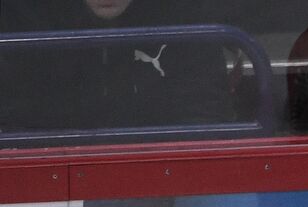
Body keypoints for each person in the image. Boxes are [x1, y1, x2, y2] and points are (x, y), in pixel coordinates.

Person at [0, 0, 235, 137]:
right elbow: (11, 124)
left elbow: (206, 118)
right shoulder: (21, 18)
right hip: (51, 178)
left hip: (161, 177)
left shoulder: (188, 15)